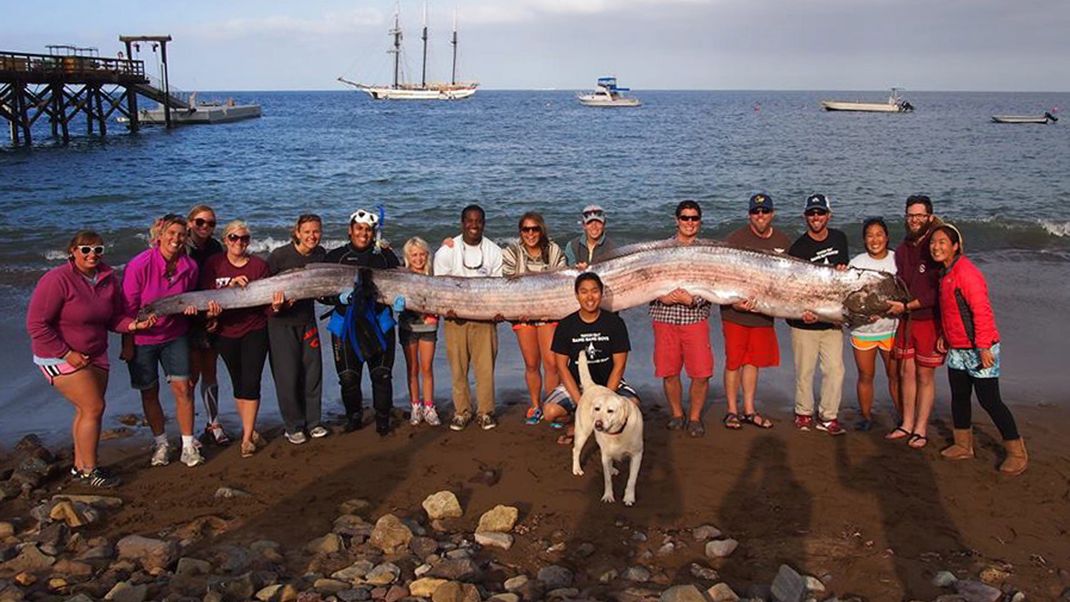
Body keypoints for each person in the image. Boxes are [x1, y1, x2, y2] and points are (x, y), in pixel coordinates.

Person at [27, 231, 155, 488]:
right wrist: (67, 354)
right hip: (58, 354)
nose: (92, 255)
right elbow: (37, 325)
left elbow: (113, 319)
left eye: (98, 250)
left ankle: (79, 466)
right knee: (93, 407)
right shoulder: (57, 279)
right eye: (85, 249)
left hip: (95, 352)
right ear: (72, 252)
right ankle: (89, 470)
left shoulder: (107, 279)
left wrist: (134, 326)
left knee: (85, 410)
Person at [930, 224, 1026, 475]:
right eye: (933, 242)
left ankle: (1017, 452)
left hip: (980, 347)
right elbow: (950, 312)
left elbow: (981, 312)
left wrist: (983, 347)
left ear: (955, 246)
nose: (936, 247)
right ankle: (963, 445)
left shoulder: (966, 273)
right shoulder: (945, 273)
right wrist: (944, 336)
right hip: (958, 349)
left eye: (942, 242)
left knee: (990, 400)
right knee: (959, 397)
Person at [121, 214, 207, 468]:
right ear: (159, 236)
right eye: (171, 234)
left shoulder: (189, 267)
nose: (176, 239)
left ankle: (188, 446)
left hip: (174, 335)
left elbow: (187, 299)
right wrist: (127, 343)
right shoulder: (139, 265)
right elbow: (128, 308)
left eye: (181, 235)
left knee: (183, 388)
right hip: (142, 338)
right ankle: (161, 443)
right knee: (149, 392)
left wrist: (191, 309)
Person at [324, 209, 401, 436]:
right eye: (359, 229)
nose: (363, 233)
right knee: (348, 377)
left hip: (379, 322)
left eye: (368, 230)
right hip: (344, 324)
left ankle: (383, 420)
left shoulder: (385, 256)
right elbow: (320, 292)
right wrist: (336, 298)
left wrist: (400, 301)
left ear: (373, 232)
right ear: (350, 231)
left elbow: (401, 285)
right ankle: (354, 417)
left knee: (381, 374)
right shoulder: (335, 257)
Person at [199, 221, 271, 457]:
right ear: (225, 240)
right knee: (239, 382)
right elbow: (205, 298)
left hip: (254, 330)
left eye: (244, 238)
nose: (239, 242)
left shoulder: (259, 266)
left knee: (251, 381)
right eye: (233, 237)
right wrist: (228, 288)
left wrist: (278, 306)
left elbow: (266, 306)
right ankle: (251, 430)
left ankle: (247, 437)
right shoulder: (214, 264)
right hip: (225, 332)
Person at [720, 193, 790, 431]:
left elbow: (790, 281)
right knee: (734, 362)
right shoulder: (735, 238)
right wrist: (733, 302)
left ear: (773, 213)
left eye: (765, 211)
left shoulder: (783, 240)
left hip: (763, 314)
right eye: (755, 212)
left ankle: (749, 410)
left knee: (753, 362)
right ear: (749, 214)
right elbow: (719, 275)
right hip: (735, 314)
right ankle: (731, 411)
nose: (760, 216)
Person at [544, 272, 640, 444]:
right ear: (576, 295)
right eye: (584, 291)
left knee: (632, 406)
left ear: (601, 294)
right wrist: (582, 404)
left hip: (609, 383)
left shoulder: (615, 323)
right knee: (550, 412)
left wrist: (606, 396)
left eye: (594, 291)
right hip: (577, 385)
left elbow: (619, 365)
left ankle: (605, 429)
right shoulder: (566, 325)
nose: (590, 297)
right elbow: (562, 367)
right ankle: (576, 424)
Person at [433, 204, 504, 431]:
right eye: (469, 221)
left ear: (484, 223)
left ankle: (486, 411)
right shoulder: (446, 251)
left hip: (485, 320)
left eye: (478, 221)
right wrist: (447, 309)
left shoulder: (494, 251)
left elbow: (499, 287)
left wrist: (497, 312)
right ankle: (462, 411)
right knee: (458, 369)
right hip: (455, 319)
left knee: (485, 369)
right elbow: (439, 286)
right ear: (462, 223)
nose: (474, 225)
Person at [649, 200, 714, 437]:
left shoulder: (709, 252)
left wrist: (693, 300)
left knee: (701, 373)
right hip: (664, 317)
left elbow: (716, 283)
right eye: (685, 218)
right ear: (677, 220)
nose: (689, 222)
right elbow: (646, 280)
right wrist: (661, 297)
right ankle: (677, 413)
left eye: (694, 218)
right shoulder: (659, 250)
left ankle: (695, 417)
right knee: (669, 371)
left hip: (695, 318)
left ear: (700, 221)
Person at [787, 194, 849, 436]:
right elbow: (791, 287)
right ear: (805, 217)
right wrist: (803, 313)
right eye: (811, 213)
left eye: (820, 213)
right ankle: (803, 412)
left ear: (828, 216)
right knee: (805, 370)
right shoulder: (798, 247)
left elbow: (841, 280)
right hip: (804, 321)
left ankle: (828, 416)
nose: (816, 217)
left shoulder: (839, 238)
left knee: (835, 370)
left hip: (831, 320)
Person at [885, 195, 945, 448]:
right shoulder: (902, 249)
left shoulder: (936, 246)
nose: (915, 220)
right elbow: (900, 285)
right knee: (905, 372)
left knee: (924, 376)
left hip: (928, 320)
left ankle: (921, 428)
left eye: (920, 215)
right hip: (906, 320)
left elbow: (936, 292)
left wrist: (907, 306)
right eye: (911, 215)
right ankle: (906, 423)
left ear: (929, 217)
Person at [267, 214, 329, 444]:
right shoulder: (279, 256)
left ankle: (313, 422)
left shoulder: (321, 255)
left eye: (316, 231)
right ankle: (293, 426)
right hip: (281, 324)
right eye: (308, 231)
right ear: (297, 232)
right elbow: (262, 290)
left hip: (307, 321)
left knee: (313, 372)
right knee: (288, 376)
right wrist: (276, 306)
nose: (312, 236)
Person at [502, 212, 567, 425]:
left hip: (548, 313)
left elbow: (562, 281)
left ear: (541, 230)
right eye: (526, 229)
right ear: (520, 232)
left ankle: (552, 404)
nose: (530, 233)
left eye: (534, 229)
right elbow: (507, 284)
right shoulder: (512, 252)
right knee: (531, 363)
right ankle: (535, 405)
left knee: (552, 364)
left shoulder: (554, 250)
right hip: (523, 314)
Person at [847, 218, 900, 431]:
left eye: (879, 234)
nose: (875, 239)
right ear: (864, 239)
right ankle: (866, 417)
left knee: (895, 376)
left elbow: (905, 294)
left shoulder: (898, 261)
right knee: (865, 376)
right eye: (870, 235)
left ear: (887, 237)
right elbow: (849, 298)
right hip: (863, 330)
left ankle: (903, 416)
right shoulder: (856, 263)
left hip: (892, 330)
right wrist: (861, 314)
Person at [185, 204, 230, 446]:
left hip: (210, 312)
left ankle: (213, 423)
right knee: (191, 375)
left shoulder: (214, 247)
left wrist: (214, 316)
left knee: (210, 371)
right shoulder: (183, 245)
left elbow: (219, 281)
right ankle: (188, 430)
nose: (205, 227)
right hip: (186, 316)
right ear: (190, 222)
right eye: (200, 222)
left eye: (211, 223)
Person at [399, 237, 442, 427]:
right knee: (413, 369)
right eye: (414, 255)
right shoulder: (401, 275)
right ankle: (415, 405)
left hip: (429, 326)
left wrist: (448, 243)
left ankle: (429, 407)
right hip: (407, 327)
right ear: (408, 257)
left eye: (421, 254)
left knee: (427, 368)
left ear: (427, 255)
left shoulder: (433, 275)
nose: (418, 258)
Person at [563, 204, 618, 268]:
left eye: (598, 222)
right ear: (584, 225)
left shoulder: (612, 248)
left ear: (604, 224)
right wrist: (576, 268)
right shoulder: (572, 246)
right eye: (590, 222)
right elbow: (569, 270)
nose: (594, 226)